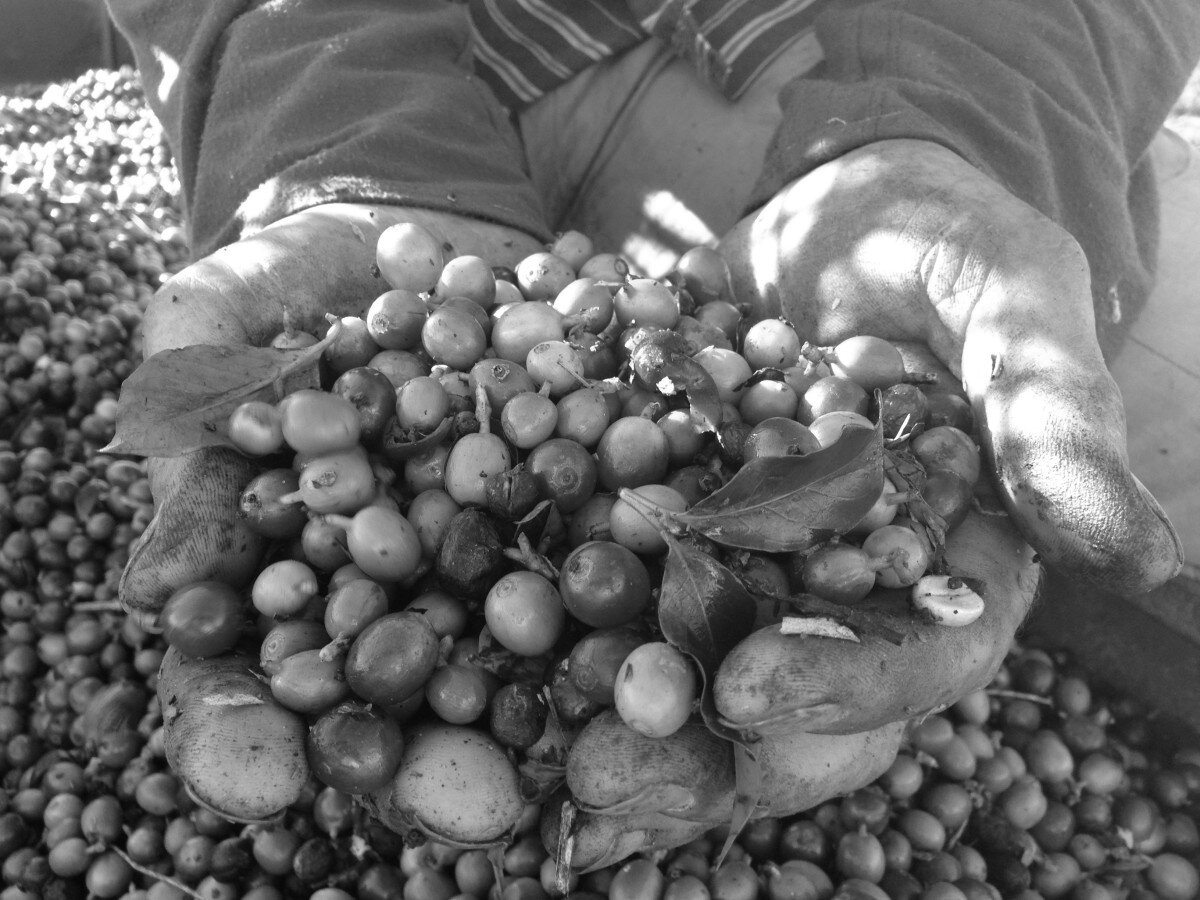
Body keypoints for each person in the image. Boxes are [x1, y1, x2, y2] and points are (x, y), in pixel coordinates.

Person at [104, 0, 1199, 869]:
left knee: (1128, 461)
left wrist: (974, 128)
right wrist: (332, 133)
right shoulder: (492, 452)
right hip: (435, 61)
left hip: (877, 68)